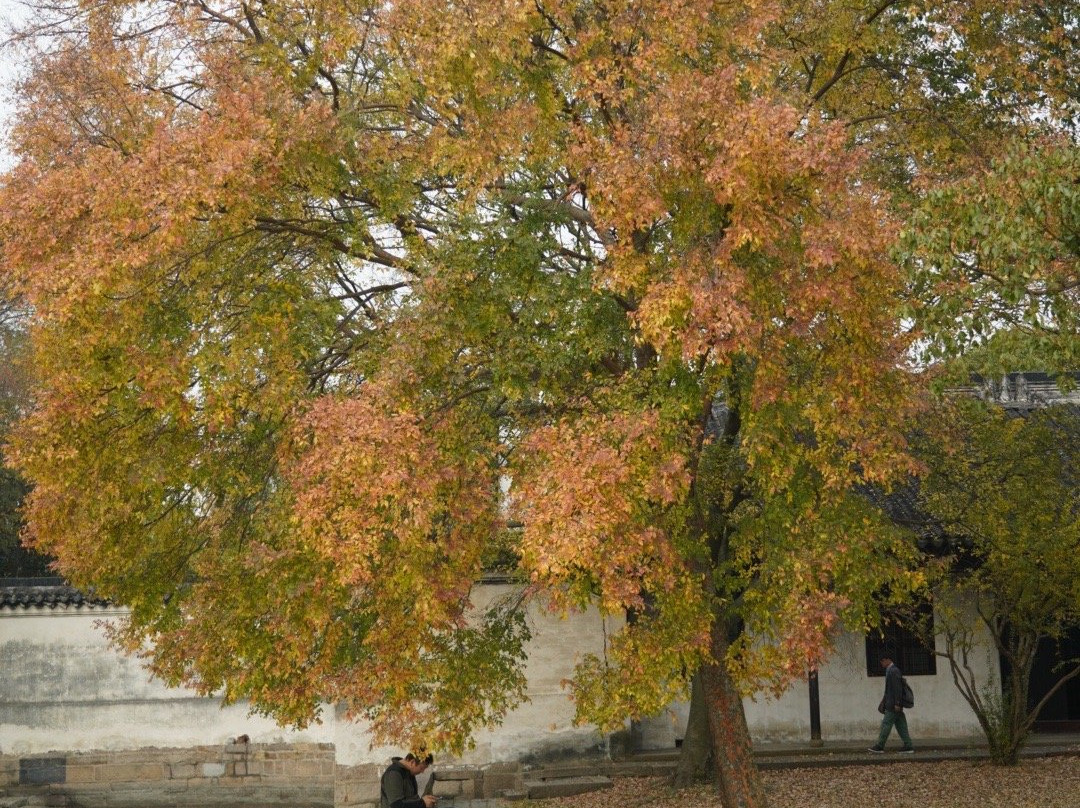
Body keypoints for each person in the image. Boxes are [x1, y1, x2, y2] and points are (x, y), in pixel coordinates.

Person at [868, 654, 915, 754]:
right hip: (893, 703)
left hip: (893, 705)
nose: (881, 664)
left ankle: (880, 746)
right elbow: (890, 690)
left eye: (882, 661)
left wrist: (897, 703)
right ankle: (908, 745)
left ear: (887, 660)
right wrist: (884, 701)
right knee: (901, 725)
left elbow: (897, 688)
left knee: (886, 724)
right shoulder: (891, 670)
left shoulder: (893, 671)